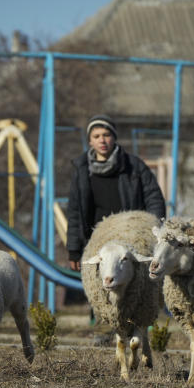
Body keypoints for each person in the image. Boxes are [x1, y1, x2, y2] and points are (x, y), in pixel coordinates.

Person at [66, 114, 166, 271]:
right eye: (97, 136)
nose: (102, 140)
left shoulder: (134, 166)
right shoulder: (81, 171)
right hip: (95, 241)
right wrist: (73, 250)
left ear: (114, 137)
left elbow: (154, 199)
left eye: (106, 135)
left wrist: (152, 232)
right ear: (90, 141)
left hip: (131, 239)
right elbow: (74, 213)